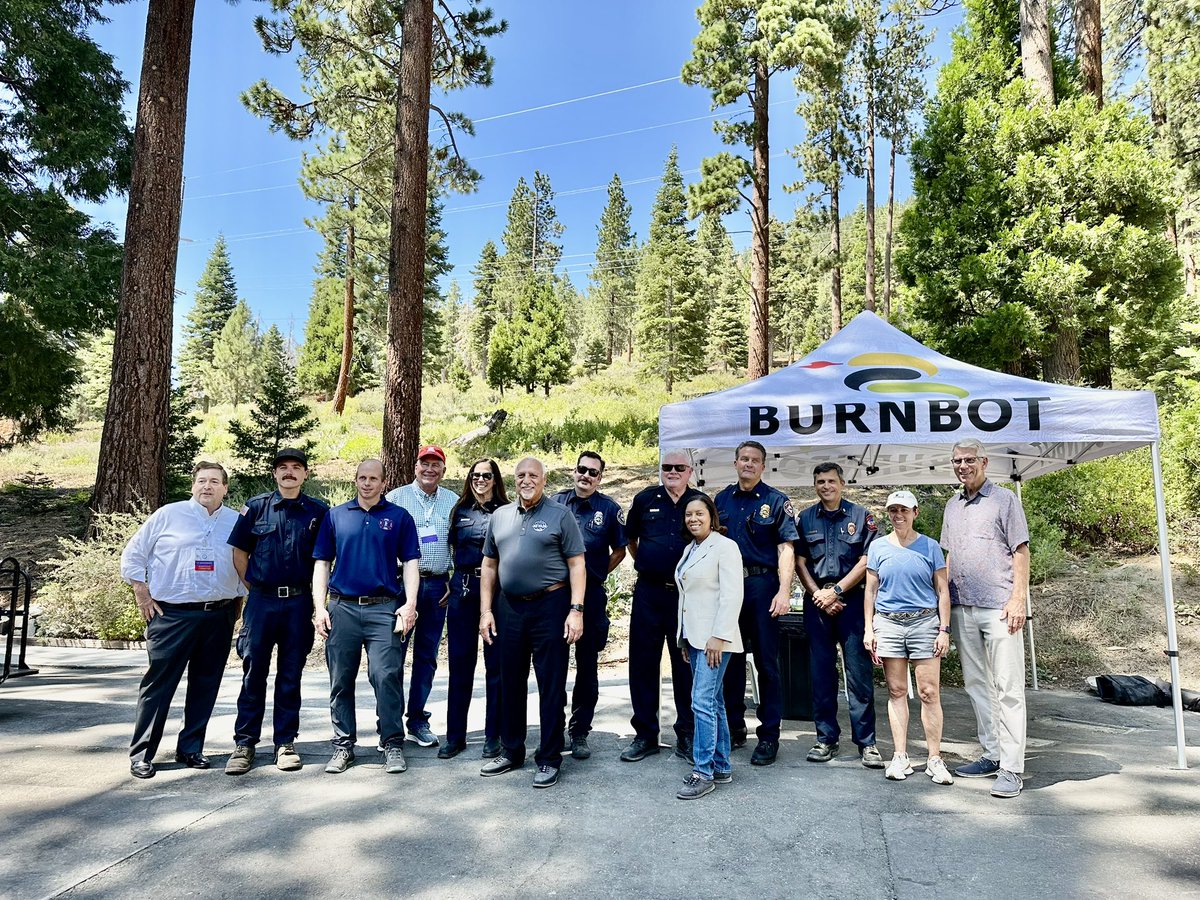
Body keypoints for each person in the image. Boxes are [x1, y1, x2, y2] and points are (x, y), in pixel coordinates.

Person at [121, 461, 245, 779]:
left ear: (225, 488)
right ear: (193, 485)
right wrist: (142, 593)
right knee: (159, 686)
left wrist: (238, 604)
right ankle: (142, 754)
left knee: (206, 685)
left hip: (217, 615)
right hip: (171, 615)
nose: (208, 486)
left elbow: (244, 564)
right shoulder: (168, 515)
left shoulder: (235, 522)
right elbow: (134, 554)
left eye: (215, 481)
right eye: (202, 480)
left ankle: (191, 748)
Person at [478, 457, 586, 788]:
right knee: (509, 681)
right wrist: (486, 611)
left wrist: (576, 609)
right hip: (508, 607)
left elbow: (577, 564)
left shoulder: (560, 514)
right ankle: (512, 750)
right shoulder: (500, 516)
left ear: (544, 480)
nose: (527, 480)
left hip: (550, 606)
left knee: (550, 685)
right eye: (521, 475)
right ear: (514, 480)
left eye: (533, 475)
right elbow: (489, 566)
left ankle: (550, 757)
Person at [312, 459, 420, 776]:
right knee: (340, 680)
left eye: (373, 478)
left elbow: (411, 562)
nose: (367, 483)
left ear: (384, 482)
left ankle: (392, 744)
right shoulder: (336, 516)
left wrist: (410, 604)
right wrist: (320, 607)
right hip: (342, 607)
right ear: (355, 480)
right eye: (362, 478)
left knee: (386, 677)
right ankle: (344, 746)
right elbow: (321, 563)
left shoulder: (398, 517)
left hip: (383, 608)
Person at [225, 448, 329, 775]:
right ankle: (245, 744)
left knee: (290, 674)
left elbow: (323, 562)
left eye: (296, 468)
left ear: (305, 474)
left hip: (298, 604)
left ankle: (285, 742)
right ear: (275, 474)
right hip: (262, 602)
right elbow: (240, 552)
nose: (289, 473)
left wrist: (317, 605)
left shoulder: (318, 512)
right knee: (253, 671)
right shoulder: (256, 508)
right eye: (283, 467)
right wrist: (252, 587)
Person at [940, 439, 1031, 798]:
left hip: (999, 606)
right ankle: (992, 754)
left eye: (969, 460)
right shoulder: (952, 505)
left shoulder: (1004, 499)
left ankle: (1012, 768)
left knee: (1009, 687)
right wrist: (944, 603)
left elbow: (1020, 551)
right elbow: (949, 557)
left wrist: (1017, 599)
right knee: (978, 685)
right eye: (957, 461)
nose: (963, 466)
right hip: (963, 606)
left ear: (984, 461)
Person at [714, 440, 798, 767]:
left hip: (763, 586)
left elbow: (786, 549)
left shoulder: (776, 502)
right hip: (727, 588)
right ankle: (735, 727)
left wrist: (784, 591)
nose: (748, 464)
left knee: (767, 664)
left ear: (763, 466)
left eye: (755, 460)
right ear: (735, 463)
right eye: (744, 459)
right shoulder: (720, 500)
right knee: (730, 661)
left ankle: (769, 736)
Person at [794, 462, 883, 768]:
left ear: (842, 483)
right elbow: (799, 561)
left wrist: (838, 591)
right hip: (816, 603)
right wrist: (819, 594)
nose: (826, 486)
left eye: (831, 481)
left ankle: (867, 743)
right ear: (815, 485)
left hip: (853, 604)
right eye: (820, 481)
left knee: (858, 675)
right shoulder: (805, 518)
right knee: (821, 675)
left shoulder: (861, 516)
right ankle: (825, 739)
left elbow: (867, 559)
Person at [621, 449, 706, 764]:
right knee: (643, 664)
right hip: (649, 593)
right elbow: (631, 540)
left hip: (686, 596)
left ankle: (686, 733)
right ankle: (645, 735)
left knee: (685, 664)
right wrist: (648, 563)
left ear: (689, 471)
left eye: (678, 467)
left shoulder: (700, 502)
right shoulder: (645, 499)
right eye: (667, 467)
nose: (672, 471)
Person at [862, 490, 953, 785]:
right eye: (893, 511)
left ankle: (934, 759)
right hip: (888, 624)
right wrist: (868, 628)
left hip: (924, 623)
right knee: (897, 690)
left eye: (903, 510)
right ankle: (900, 756)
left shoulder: (930, 547)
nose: (898, 515)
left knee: (929, 692)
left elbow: (942, 591)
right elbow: (871, 592)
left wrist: (943, 630)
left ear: (915, 512)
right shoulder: (878, 547)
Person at [552, 450, 628, 760]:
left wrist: (593, 575)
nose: (586, 476)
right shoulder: (555, 502)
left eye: (593, 472)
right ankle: (553, 728)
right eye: (582, 469)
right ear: (574, 471)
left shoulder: (609, 509)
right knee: (553, 665)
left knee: (587, 666)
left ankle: (580, 731)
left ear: (600, 477)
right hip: (555, 595)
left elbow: (621, 550)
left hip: (592, 598)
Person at [384, 445, 458, 748]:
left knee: (426, 657)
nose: (430, 469)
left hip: (438, 587)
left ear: (443, 470)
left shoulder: (453, 502)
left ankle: (417, 720)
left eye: (436, 464)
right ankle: (388, 724)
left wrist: (456, 577)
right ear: (415, 467)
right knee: (392, 658)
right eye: (424, 463)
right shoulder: (396, 498)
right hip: (401, 586)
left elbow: (460, 542)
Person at [674, 495, 744, 800]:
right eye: (689, 514)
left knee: (700, 701)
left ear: (711, 516)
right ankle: (721, 765)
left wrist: (718, 636)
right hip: (695, 637)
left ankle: (702, 773)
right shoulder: (691, 549)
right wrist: (683, 637)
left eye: (699, 513)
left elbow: (732, 595)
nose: (693, 519)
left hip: (716, 639)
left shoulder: (725, 547)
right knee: (713, 702)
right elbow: (688, 598)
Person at [439, 458, 508, 760]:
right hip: (464, 590)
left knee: (496, 667)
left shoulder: (507, 512)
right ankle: (455, 736)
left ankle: (493, 735)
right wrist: (447, 582)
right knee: (460, 665)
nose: (481, 480)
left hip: (497, 593)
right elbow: (449, 549)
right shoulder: (460, 511)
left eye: (487, 476)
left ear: (495, 480)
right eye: (476, 475)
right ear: (469, 479)